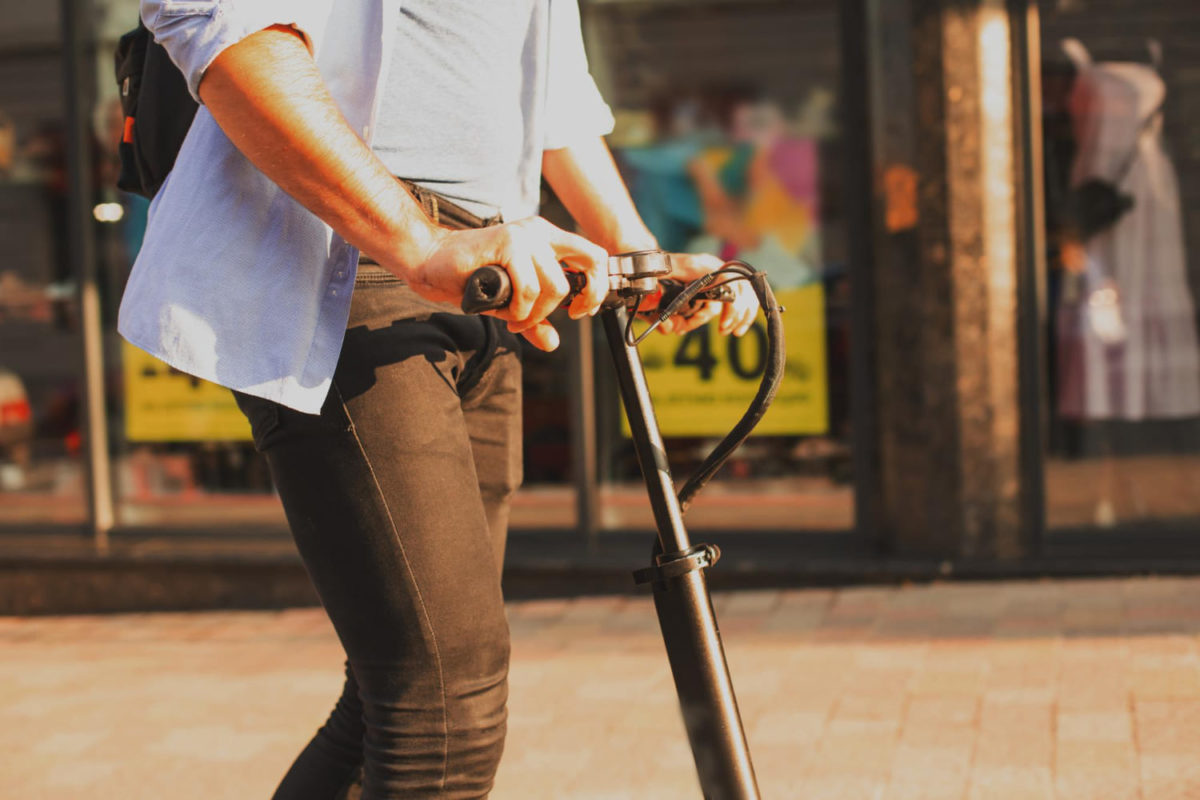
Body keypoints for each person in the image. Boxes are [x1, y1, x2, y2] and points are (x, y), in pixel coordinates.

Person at [118, 2, 756, 797]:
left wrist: (636, 253)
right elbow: (227, 30)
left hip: (491, 272)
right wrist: (417, 243)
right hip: (354, 266)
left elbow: (547, 89)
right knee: (444, 706)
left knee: (390, 694)